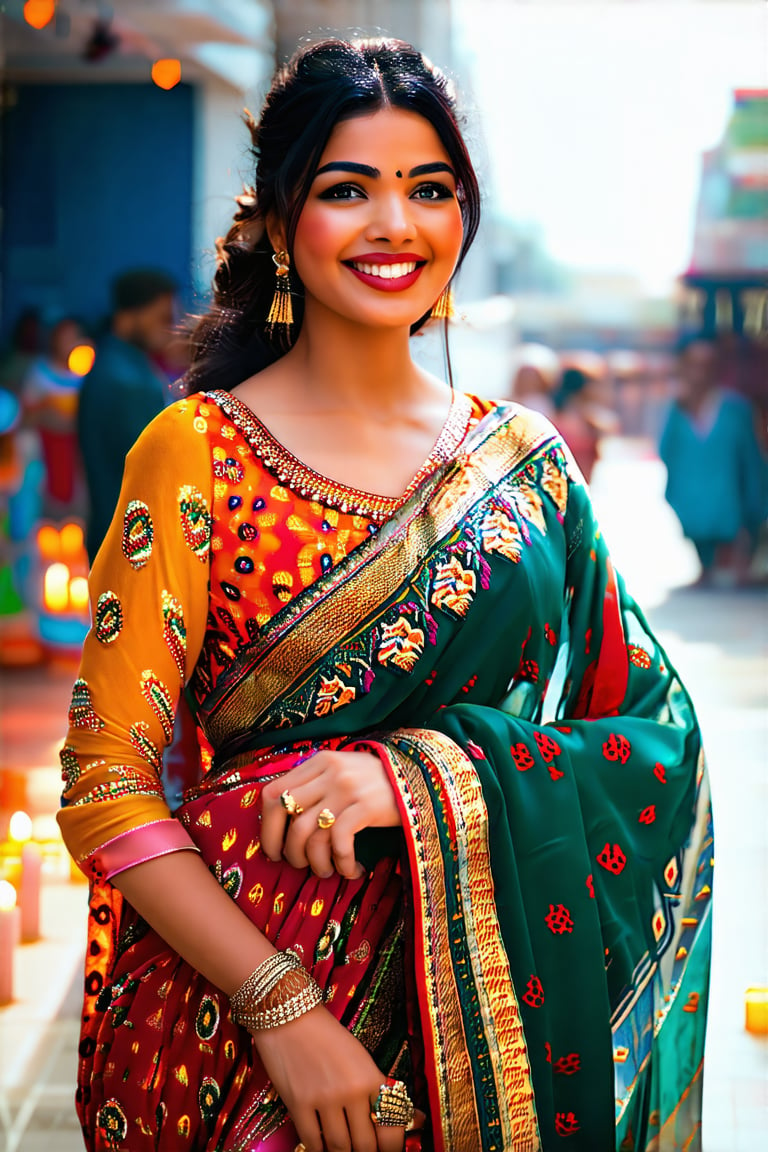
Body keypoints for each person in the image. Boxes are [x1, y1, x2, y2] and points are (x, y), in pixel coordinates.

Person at [58, 39, 712, 1152]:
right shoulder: (197, 450)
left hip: (499, 1027)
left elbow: (659, 740)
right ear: (272, 221)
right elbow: (106, 783)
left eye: (429, 189)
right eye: (346, 189)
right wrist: (284, 1007)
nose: (394, 225)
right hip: (241, 1029)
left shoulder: (527, 465)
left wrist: (412, 779)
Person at [77, 268, 177, 562]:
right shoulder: (126, 380)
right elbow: (155, 468)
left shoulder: (116, 364)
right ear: (131, 314)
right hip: (130, 544)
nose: (168, 329)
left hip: (115, 536)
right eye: (162, 318)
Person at [660, 334, 767, 586]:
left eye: (707, 364)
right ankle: (704, 566)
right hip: (692, 504)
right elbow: (668, 453)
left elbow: (751, 462)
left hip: (731, 508)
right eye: (694, 364)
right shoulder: (678, 409)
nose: (700, 372)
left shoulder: (735, 409)